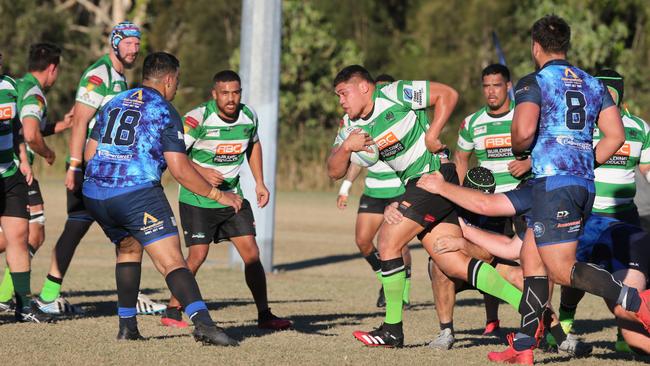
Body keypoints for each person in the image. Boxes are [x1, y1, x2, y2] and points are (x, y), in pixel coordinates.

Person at [466, 15, 650, 364]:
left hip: (553, 183)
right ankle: (523, 348)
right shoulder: (592, 83)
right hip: (580, 183)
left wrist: (523, 149)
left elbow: (521, 134)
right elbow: (616, 136)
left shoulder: (532, 82)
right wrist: (583, 162)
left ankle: (637, 303)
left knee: (560, 269)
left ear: (536, 47)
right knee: (533, 260)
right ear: (565, 45)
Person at [328, 65, 523, 348]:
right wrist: (346, 147)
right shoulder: (350, 125)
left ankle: (392, 329)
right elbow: (333, 172)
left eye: (344, 93)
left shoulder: (394, 93)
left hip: (434, 177)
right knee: (452, 262)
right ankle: (530, 311)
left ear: (364, 88)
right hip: (416, 184)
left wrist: (433, 134)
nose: (341, 101)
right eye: (338, 96)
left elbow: (448, 94)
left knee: (387, 239)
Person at [82, 51, 240, 345]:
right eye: (177, 81)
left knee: (129, 249)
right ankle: (204, 324)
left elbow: (89, 153)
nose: (176, 87)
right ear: (169, 79)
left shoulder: (113, 102)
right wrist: (219, 195)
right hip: (135, 192)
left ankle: (127, 327)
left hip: (95, 192)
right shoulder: (164, 110)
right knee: (172, 262)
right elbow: (180, 169)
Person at [33, 21, 164, 316]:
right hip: (91, 167)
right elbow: (80, 121)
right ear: (115, 43)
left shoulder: (119, 78)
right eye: (128, 42)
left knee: (88, 228)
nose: (134, 48)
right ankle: (49, 296)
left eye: (137, 43)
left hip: (107, 167)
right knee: (122, 226)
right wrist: (75, 166)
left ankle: (48, 295)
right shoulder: (99, 74)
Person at [159, 70, 291, 331]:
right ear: (214, 94)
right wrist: (202, 171)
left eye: (236, 92)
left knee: (252, 254)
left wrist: (260, 182)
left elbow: (253, 145)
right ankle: (173, 309)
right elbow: (175, 156)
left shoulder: (248, 116)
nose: (231, 98)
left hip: (232, 198)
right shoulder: (197, 119)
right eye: (225, 93)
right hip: (197, 198)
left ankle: (264, 315)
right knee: (198, 255)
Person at [335, 73, 412, 309]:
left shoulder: (397, 116)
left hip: (400, 189)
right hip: (374, 190)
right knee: (363, 241)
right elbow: (358, 160)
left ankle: (402, 294)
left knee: (398, 244)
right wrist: (345, 187)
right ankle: (385, 280)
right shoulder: (362, 124)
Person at [0, 50, 50, 322]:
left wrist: (23, 160)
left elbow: (18, 129)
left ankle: (23, 306)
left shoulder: (10, 86)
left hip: (10, 174)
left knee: (19, 236)